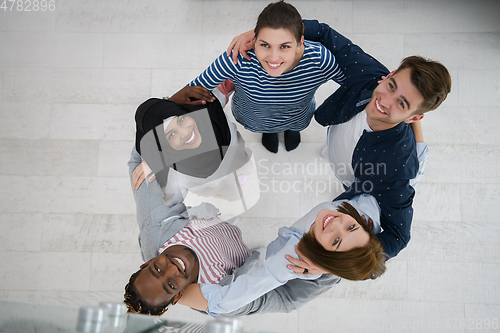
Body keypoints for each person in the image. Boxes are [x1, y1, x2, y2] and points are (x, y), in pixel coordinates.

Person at [227, 21, 451, 259]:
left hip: (358, 176)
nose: (386, 100)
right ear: (389, 75)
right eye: (392, 86)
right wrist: (262, 34)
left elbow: (398, 236)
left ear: (414, 117)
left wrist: (339, 261)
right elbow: (324, 33)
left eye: (402, 103)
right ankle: (287, 129)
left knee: (348, 182)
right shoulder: (371, 74)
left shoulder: (397, 168)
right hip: (341, 146)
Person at [125, 130, 385, 316]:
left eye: (156, 270)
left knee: (238, 175)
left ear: (147, 261)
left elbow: (139, 159)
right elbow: (284, 301)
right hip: (244, 259)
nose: (172, 269)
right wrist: (322, 274)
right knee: (260, 253)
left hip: (217, 221)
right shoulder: (221, 296)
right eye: (171, 285)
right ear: (178, 296)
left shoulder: (158, 230)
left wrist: (163, 151)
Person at [177, 195, 386, 317]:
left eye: (335, 241)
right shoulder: (352, 212)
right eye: (351, 226)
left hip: (282, 283)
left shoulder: (293, 260)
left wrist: (170, 295)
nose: (336, 224)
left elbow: (226, 301)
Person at [187, 1, 345, 153]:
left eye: (284, 46)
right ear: (254, 40)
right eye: (265, 45)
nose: (273, 58)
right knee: (266, 128)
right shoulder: (237, 59)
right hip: (254, 119)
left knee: (295, 125)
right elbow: (193, 91)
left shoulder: (319, 59)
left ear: (299, 43)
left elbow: (354, 84)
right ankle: (268, 132)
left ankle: (292, 129)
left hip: (298, 117)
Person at [133, 85, 259, 217]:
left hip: (240, 161)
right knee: (233, 193)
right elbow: (172, 206)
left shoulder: (208, 107)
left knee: (245, 171)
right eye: (171, 135)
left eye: (181, 120)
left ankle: (242, 178)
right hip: (217, 188)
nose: (185, 132)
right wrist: (156, 160)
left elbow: (230, 77)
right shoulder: (175, 174)